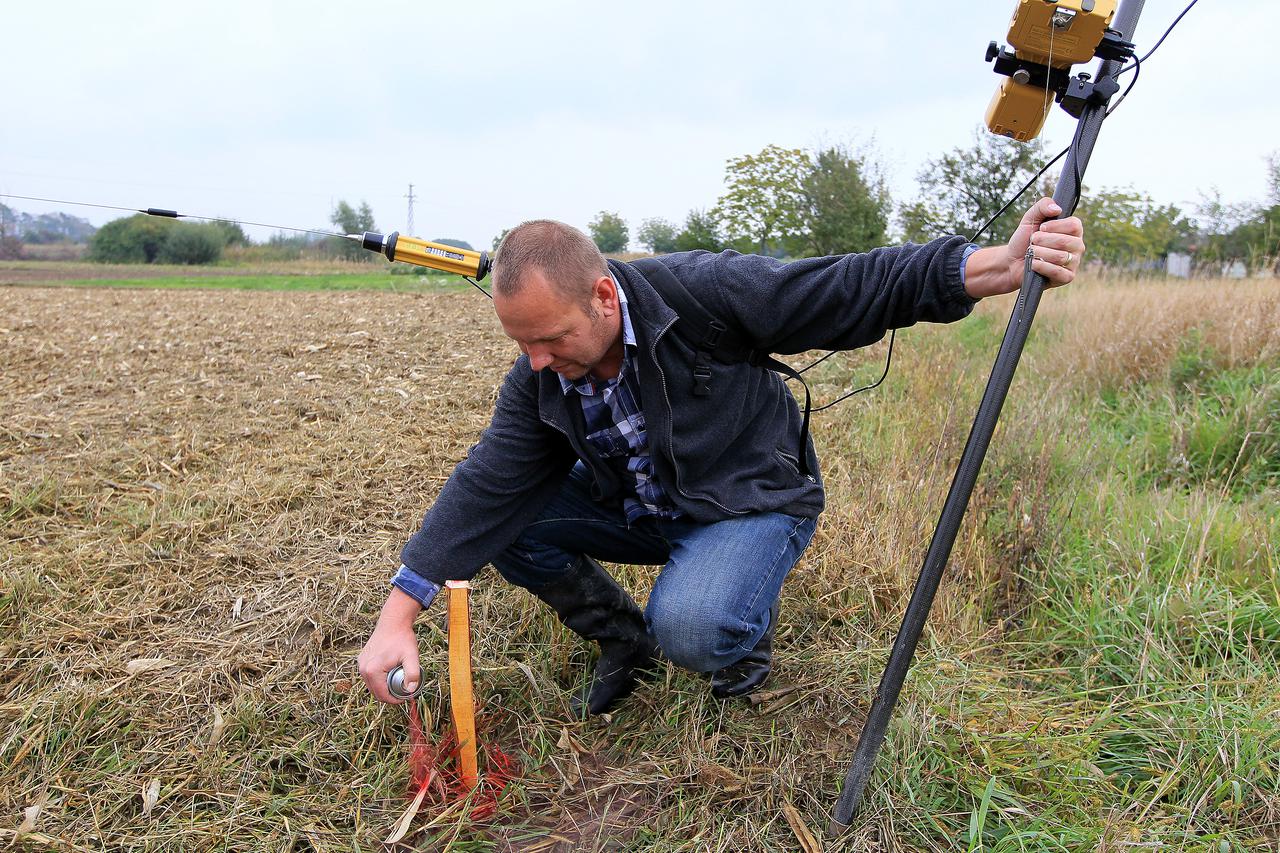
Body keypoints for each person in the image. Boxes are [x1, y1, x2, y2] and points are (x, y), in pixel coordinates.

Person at [358, 198, 1085, 715]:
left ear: (605, 297)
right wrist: (398, 613)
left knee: (698, 626)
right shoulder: (540, 380)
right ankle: (626, 643)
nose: (538, 361)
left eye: (550, 339)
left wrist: (988, 268)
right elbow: (486, 486)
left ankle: (736, 637)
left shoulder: (701, 295)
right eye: (522, 344)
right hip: (646, 507)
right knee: (509, 521)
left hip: (748, 499)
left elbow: (842, 286)